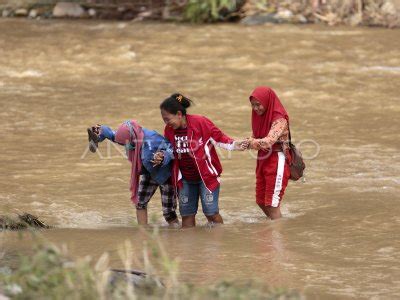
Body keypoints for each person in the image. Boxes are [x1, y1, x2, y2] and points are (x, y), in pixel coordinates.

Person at [158, 93, 247, 228]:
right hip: (185, 180)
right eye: (164, 120)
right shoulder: (169, 130)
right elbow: (168, 150)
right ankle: (190, 248)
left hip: (206, 178)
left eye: (167, 119)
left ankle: (219, 240)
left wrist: (235, 145)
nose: (166, 123)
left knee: (211, 214)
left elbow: (219, 138)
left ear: (179, 114)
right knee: (186, 216)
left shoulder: (200, 122)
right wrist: (161, 155)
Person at [87, 121, 179, 226]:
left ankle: (176, 234)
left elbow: (171, 149)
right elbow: (112, 135)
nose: (126, 146)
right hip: (149, 172)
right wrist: (100, 130)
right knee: (140, 203)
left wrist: (163, 156)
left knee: (169, 213)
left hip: (165, 174)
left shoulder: (152, 139)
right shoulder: (127, 137)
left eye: (128, 144)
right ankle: (143, 231)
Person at [246, 86, 291, 220]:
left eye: (258, 105)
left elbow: (269, 141)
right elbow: (254, 136)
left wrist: (249, 142)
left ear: (267, 101)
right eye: (253, 105)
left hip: (277, 159)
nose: (256, 108)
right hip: (263, 158)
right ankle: (272, 228)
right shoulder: (259, 117)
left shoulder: (279, 119)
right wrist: (248, 141)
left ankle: (276, 237)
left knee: (272, 203)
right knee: (261, 200)